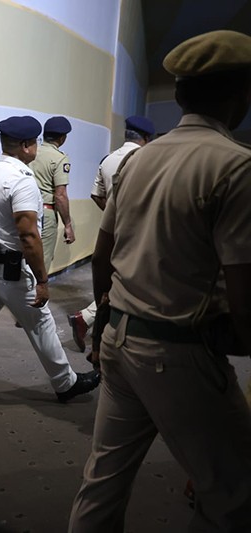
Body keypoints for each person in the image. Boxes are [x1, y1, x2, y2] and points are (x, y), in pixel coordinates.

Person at [69, 30, 251, 531]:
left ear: (181, 94)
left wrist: (105, 322)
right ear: (239, 95)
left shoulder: (139, 159)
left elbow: (102, 256)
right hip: (180, 353)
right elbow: (243, 289)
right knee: (236, 492)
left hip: (120, 340)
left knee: (103, 480)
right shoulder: (235, 166)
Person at [0, 116, 100, 408]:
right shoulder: (21, 181)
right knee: (41, 323)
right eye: (35, 142)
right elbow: (28, 235)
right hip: (10, 271)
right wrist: (42, 280)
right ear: (26, 146)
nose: (37, 146)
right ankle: (66, 383)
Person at [66, 115, 155, 353]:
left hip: (111, 231)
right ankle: (96, 328)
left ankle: (87, 320)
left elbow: (96, 195)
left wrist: (112, 215)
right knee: (127, 282)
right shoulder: (146, 159)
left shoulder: (107, 160)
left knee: (114, 280)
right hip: (138, 233)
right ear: (146, 138)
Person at [29, 115, 75, 272]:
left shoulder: (31, 152)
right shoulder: (59, 158)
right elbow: (60, 195)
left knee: (25, 259)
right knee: (42, 262)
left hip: (24, 210)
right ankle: (38, 295)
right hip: (45, 214)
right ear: (62, 138)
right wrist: (67, 224)